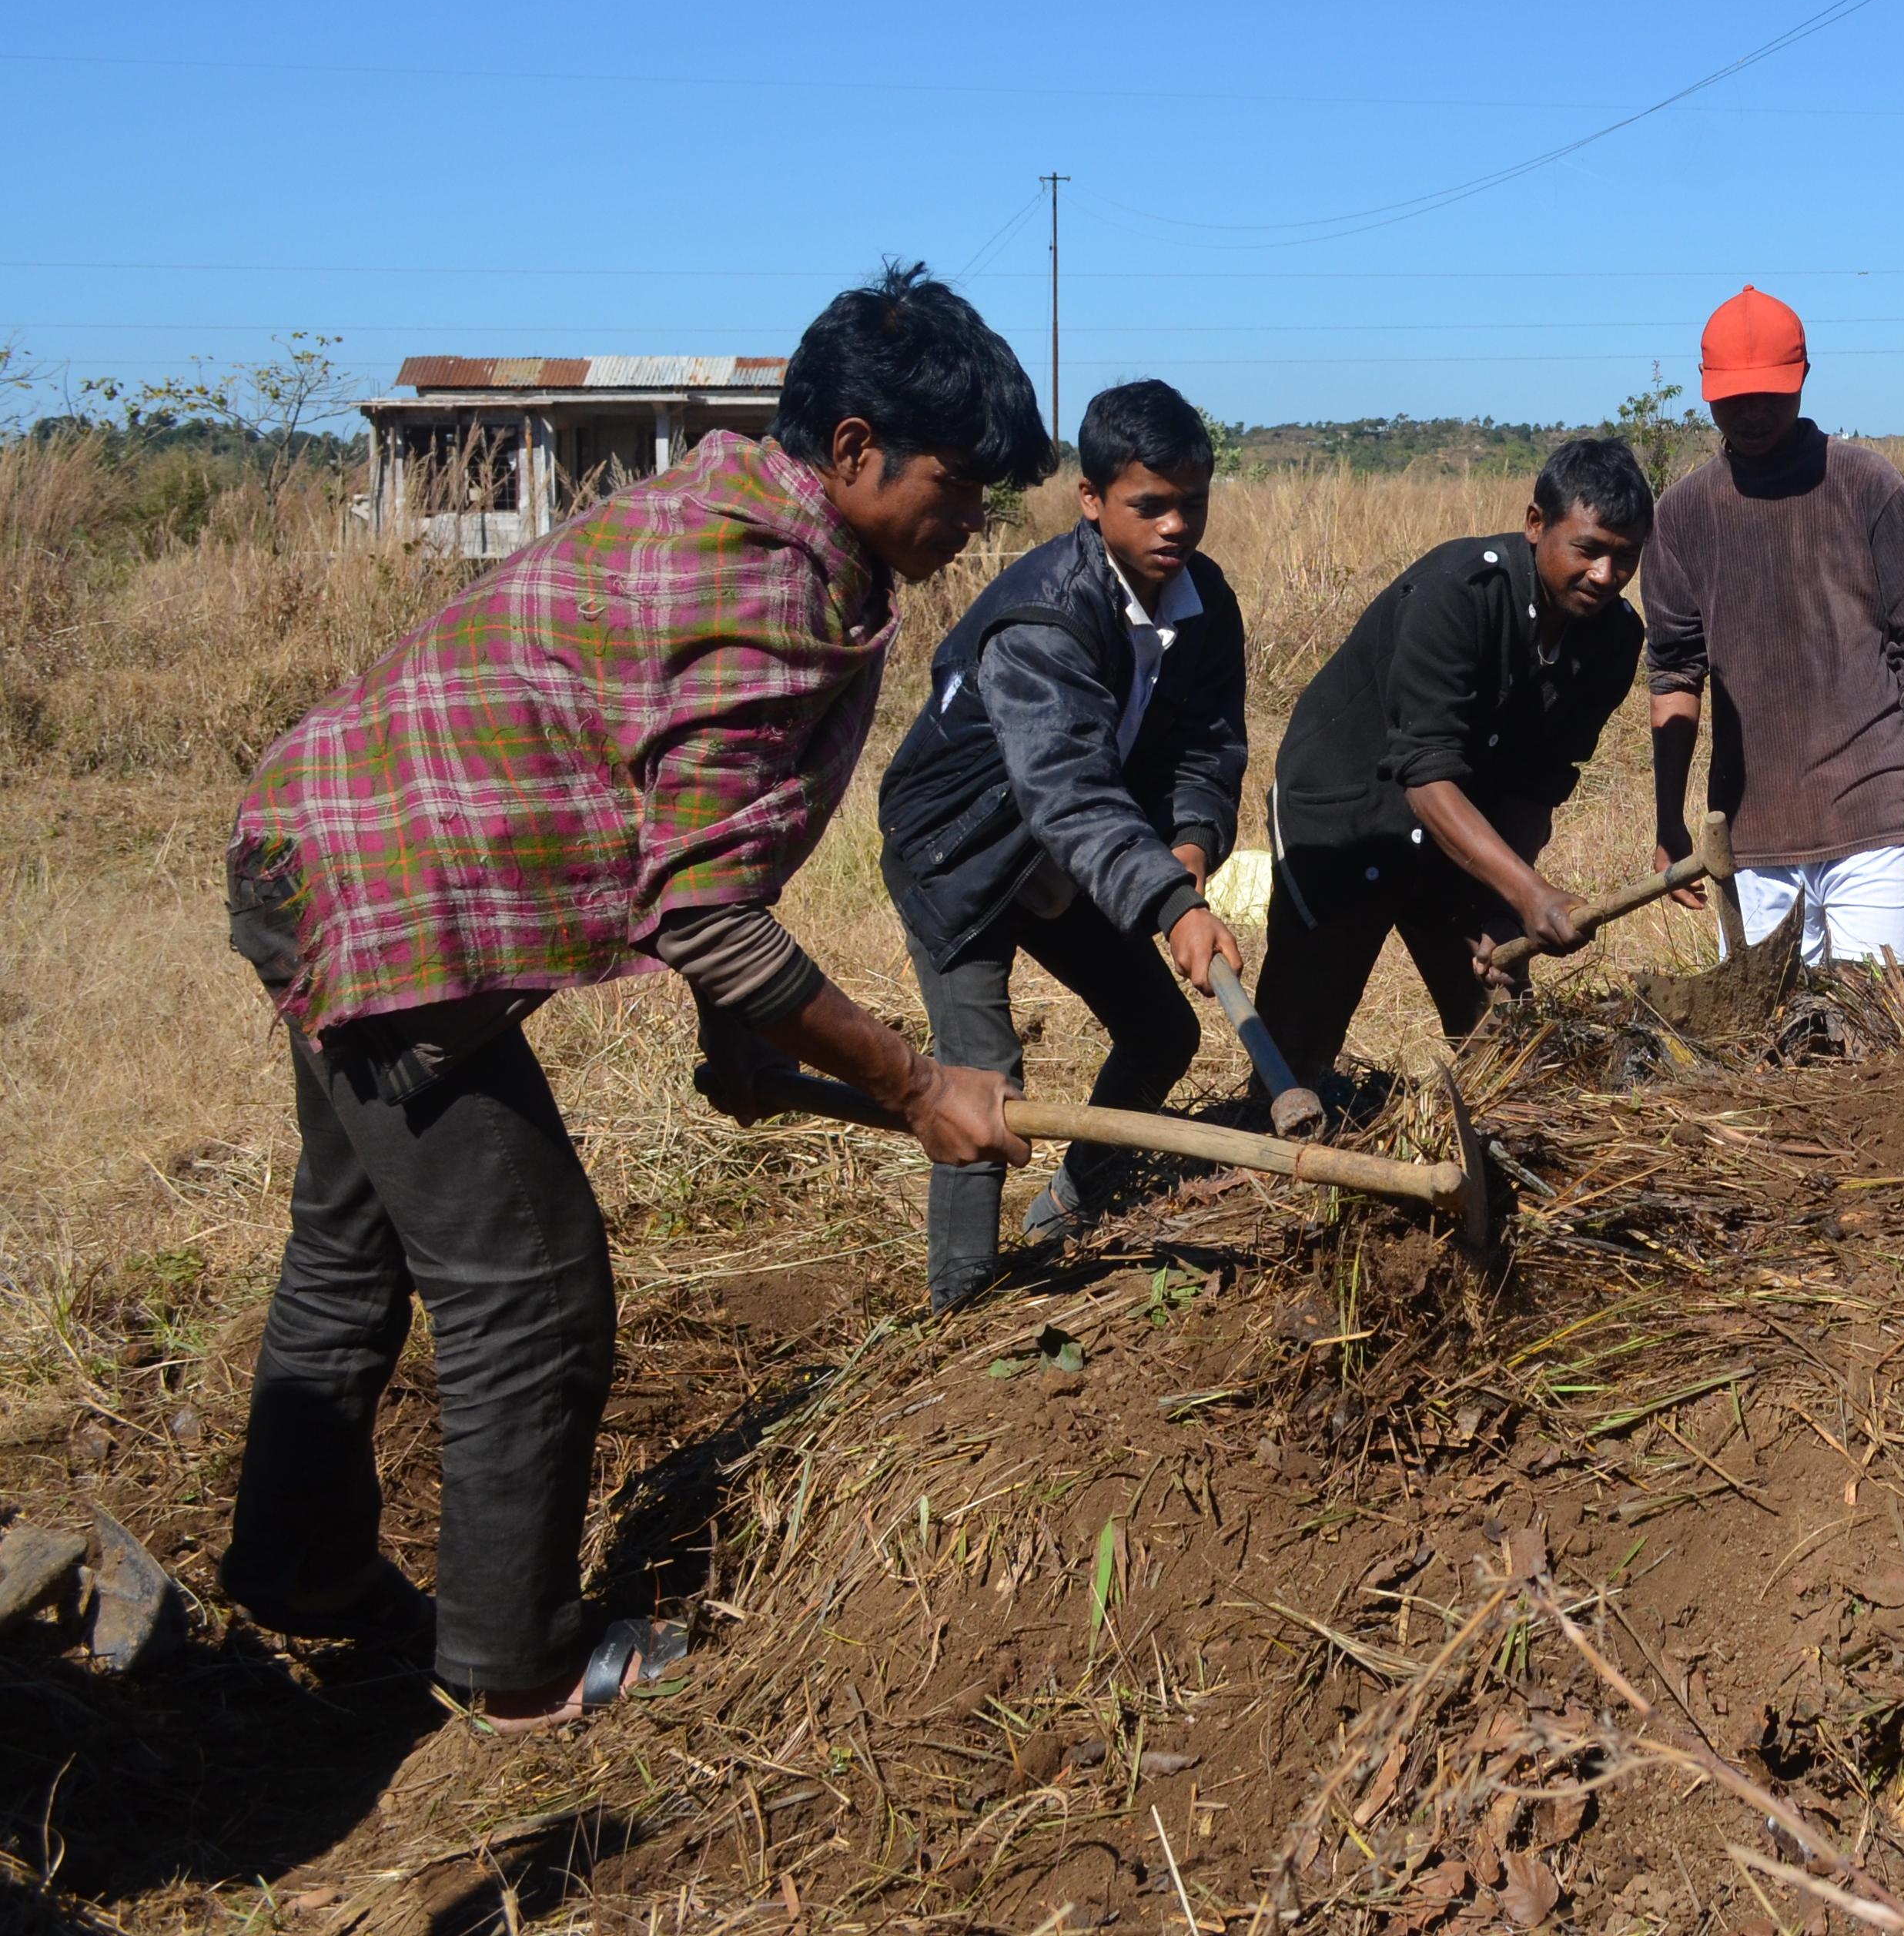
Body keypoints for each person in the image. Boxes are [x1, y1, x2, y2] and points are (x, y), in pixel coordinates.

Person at [220, 265, 1045, 1725]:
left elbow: (692, 822)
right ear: (856, 450)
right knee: (531, 1288)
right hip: (395, 911)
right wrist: (914, 1083)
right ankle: (517, 1659)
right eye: (960, 481)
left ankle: (303, 1571)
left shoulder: (746, 513)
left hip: (324, 845)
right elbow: (702, 909)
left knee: (350, 1244)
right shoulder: (766, 579)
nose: (971, 519)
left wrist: (744, 1030)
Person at [878, 380, 1250, 1310]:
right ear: (1091, 500)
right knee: (981, 1085)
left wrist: (1192, 852)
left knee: (1160, 1031)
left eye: (1192, 504)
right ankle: (956, 1309)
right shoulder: (1042, 616)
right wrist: (1169, 903)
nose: (1175, 526)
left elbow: (1207, 747)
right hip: (959, 857)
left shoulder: (1204, 603)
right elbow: (1070, 790)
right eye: (1149, 505)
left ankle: (1067, 1214)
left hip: (1073, 854)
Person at [1253, 436, 1653, 1084]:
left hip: (1466, 817)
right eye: (1588, 549)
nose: (1606, 576)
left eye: (1625, 556)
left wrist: (1505, 910)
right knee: (1297, 1047)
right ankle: (1267, 1155)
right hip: (1349, 809)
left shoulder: (1614, 637)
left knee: (1507, 1048)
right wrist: (1531, 893)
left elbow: (1537, 785)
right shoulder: (1459, 592)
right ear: (1535, 525)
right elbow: (1425, 775)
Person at [1645, 287, 1904, 965]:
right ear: (1705, 390)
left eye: (1772, 394)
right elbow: (1674, 671)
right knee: (1772, 1049)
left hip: (1874, 819)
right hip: (1751, 837)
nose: (1754, 413)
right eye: (1735, 397)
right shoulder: (1681, 515)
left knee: (1874, 1035)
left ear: (1804, 380)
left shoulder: (1866, 485)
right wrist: (1668, 819)